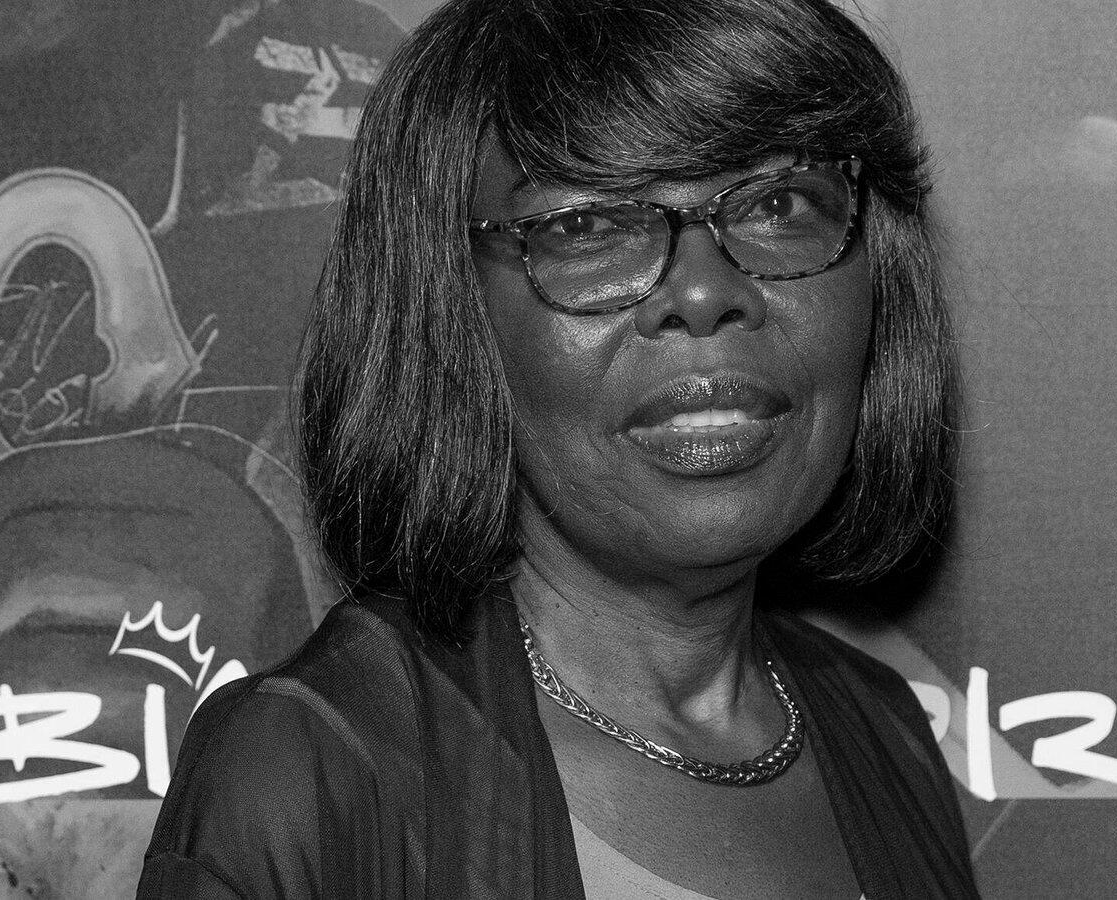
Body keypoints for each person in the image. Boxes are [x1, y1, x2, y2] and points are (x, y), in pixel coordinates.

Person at [138, 0, 979, 896]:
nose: (704, 291)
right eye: (587, 226)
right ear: (449, 308)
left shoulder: (884, 733)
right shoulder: (307, 774)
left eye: (779, 203)